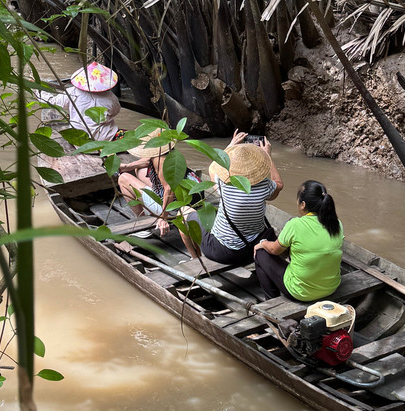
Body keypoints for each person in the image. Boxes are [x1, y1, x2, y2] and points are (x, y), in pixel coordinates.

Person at [201, 131, 283, 265]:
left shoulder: (223, 182)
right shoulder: (265, 186)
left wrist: (230, 146)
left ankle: (194, 257)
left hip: (222, 253)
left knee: (189, 213)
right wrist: (268, 156)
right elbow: (279, 185)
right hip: (252, 251)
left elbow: (212, 168)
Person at [253, 180, 343, 301]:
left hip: (300, 292)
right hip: (331, 288)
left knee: (260, 254)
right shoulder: (337, 224)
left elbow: (274, 250)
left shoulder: (295, 224)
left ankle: (271, 300)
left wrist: (262, 243)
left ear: (303, 204)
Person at [117, 129, 201, 256]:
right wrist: (128, 166)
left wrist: (163, 218)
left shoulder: (161, 161)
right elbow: (145, 161)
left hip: (176, 208)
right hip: (193, 197)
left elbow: (169, 189)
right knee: (139, 171)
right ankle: (153, 209)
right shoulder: (169, 153)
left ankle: (142, 222)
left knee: (123, 179)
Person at [39, 61, 122, 142]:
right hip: (105, 139)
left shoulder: (72, 92)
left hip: (79, 141)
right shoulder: (111, 97)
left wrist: (38, 90)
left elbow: (52, 101)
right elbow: (115, 111)